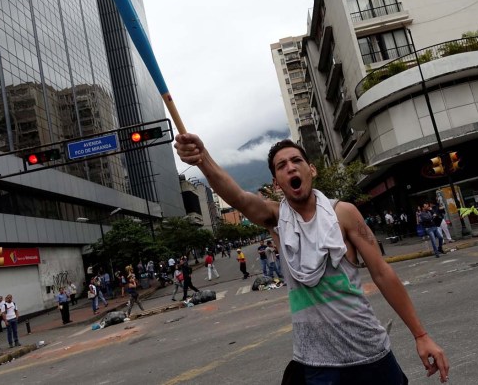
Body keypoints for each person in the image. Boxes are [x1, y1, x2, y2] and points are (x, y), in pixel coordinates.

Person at [175, 134, 448, 384]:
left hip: (369, 350)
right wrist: (204, 160)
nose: (290, 167)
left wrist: (421, 335)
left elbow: (382, 273)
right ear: (276, 183)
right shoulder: (276, 218)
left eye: (296, 161)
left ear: (311, 170)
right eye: (281, 166)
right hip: (317, 362)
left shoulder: (344, 213)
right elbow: (238, 198)